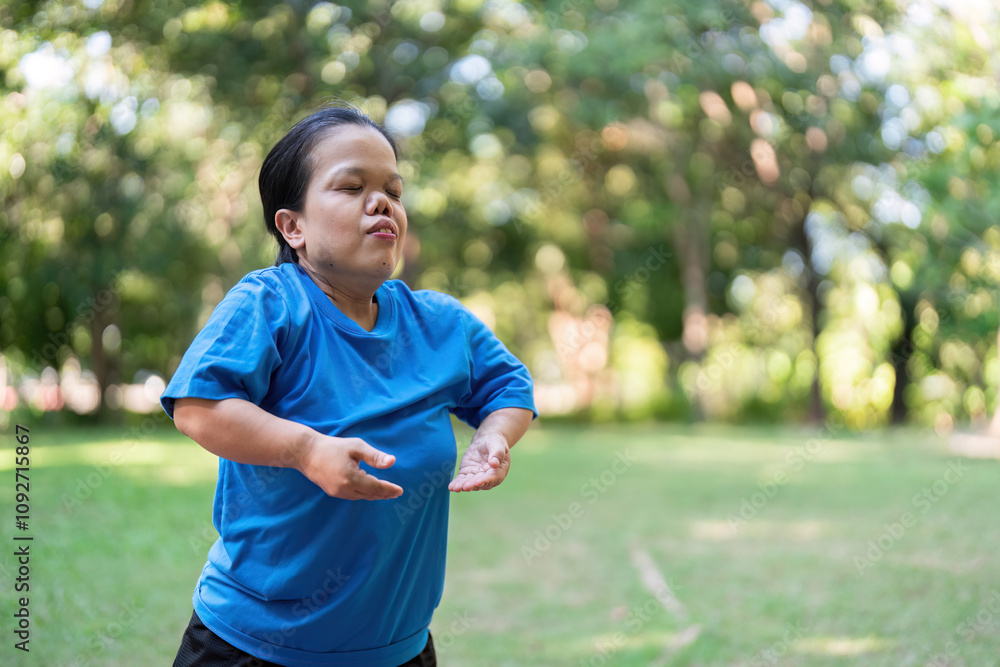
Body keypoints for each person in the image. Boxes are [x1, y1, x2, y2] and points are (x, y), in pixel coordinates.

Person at [161, 105, 537, 667]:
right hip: (254, 649)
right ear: (294, 227)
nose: (383, 202)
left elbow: (510, 386)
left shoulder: (438, 322)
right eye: (352, 186)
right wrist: (307, 449)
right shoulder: (270, 303)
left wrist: (494, 437)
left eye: (394, 189)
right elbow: (198, 406)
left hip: (398, 651)